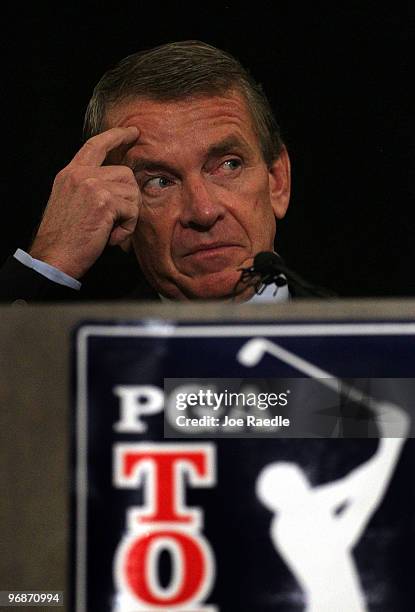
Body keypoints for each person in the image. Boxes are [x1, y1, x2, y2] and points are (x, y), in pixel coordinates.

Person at [0, 40, 293, 303]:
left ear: (277, 181)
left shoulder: (341, 344)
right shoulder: (84, 355)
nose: (203, 212)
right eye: (160, 182)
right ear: (119, 216)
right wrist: (48, 263)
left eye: (229, 165)